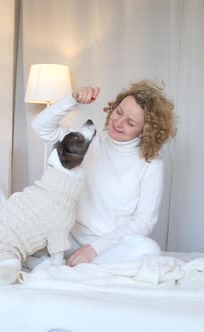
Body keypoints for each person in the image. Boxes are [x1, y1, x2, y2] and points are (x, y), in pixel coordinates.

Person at [31, 80, 176, 267]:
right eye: (119, 112)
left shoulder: (151, 165)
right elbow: (40, 127)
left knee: (150, 249)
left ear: (144, 132)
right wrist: (71, 99)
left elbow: (144, 221)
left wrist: (94, 249)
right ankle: (80, 263)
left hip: (108, 247)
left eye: (130, 123)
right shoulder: (86, 143)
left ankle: (87, 263)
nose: (118, 122)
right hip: (68, 240)